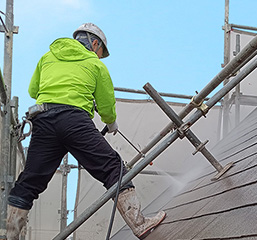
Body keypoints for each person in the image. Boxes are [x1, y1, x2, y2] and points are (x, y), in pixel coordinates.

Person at [6, 23, 165, 240]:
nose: (100, 57)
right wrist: (111, 123)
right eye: (101, 52)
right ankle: (140, 224)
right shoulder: (94, 64)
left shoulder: (47, 57)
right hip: (74, 121)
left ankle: (9, 236)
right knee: (112, 167)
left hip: (43, 121)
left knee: (30, 180)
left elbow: (34, 90)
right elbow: (106, 103)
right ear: (95, 43)